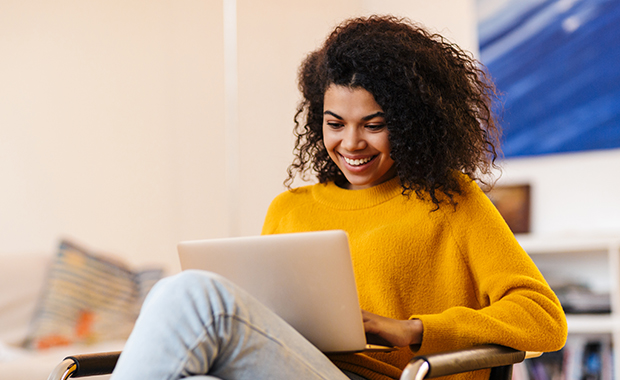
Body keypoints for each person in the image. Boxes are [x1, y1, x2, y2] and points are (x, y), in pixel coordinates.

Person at [110, 15, 567, 380]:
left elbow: (544, 318)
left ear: (410, 123)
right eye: (335, 124)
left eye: (373, 124)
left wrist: (414, 329)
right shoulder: (289, 209)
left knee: (189, 293)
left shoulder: (450, 201)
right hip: (294, 365)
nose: (351, 143)